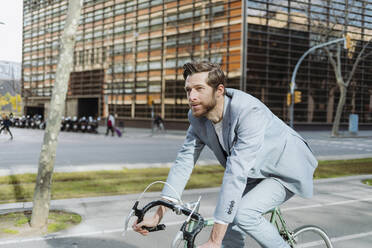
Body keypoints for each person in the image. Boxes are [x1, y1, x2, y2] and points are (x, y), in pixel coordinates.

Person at [133, 61, 318, 248]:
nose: (192, 97)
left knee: (242, 214)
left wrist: (214, 240)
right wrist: (157, 216)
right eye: (188, 90)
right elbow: (184, 163)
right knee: (226, 220)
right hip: (254, 170)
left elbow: (235, 173)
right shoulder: (196, 118)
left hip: (285, 168)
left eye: (199, 89)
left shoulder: (248, 112)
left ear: (219, 90)